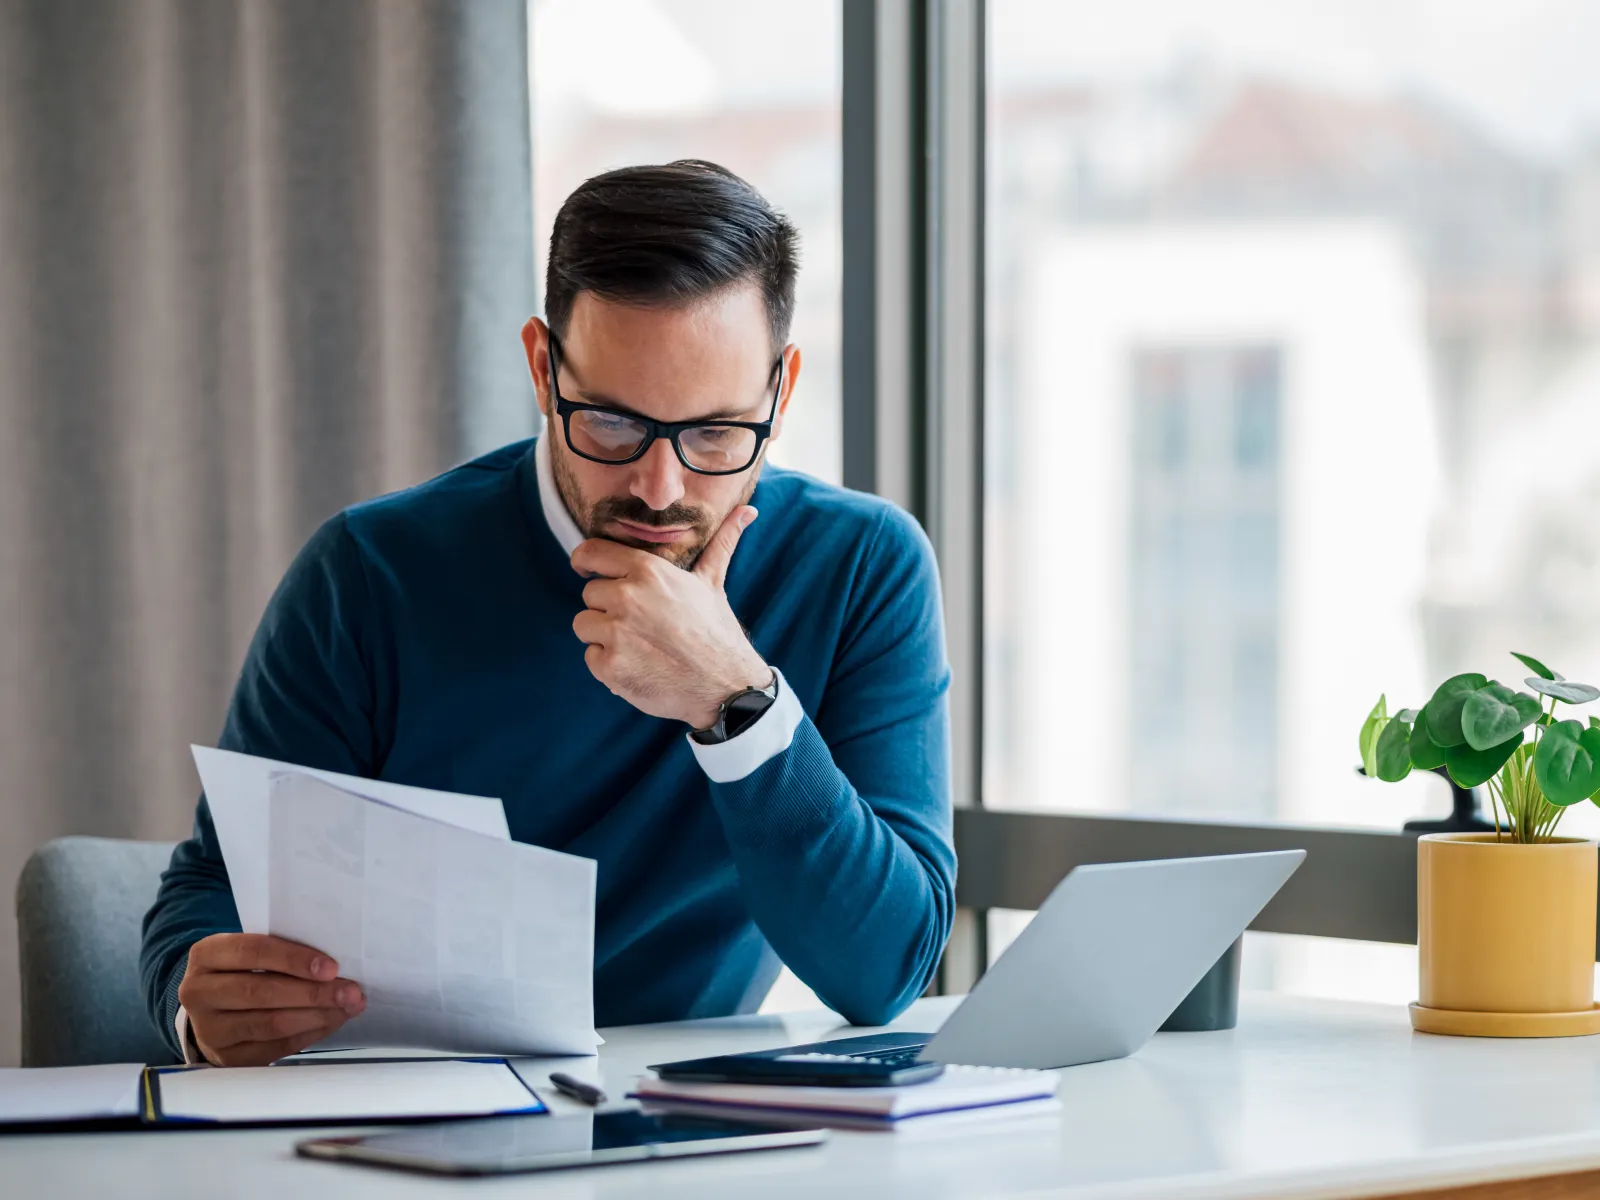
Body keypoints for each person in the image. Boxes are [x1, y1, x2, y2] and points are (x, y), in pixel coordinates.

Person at [140, 160, 954, 1067]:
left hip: (692, 1123)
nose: (661, 487)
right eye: (610, 423)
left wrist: (737, 705)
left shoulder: (863, 566)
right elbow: (210, 890)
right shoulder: (372, 574)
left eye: (717, 433)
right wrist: (198, 997)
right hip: (410, 1115)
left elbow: (886, 971)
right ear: (541, 366)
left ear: (781, 390)